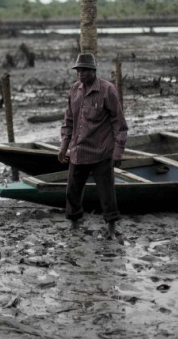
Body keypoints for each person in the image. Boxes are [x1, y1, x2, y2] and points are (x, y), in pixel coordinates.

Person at [58, 53, 128, 238]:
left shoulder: (107, 90)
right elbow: (68, 121)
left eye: (85, 70)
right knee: (72, 190)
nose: (80, 73)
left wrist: (118, 152)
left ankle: (111, 228)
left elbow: (119, 124)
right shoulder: (74, 90)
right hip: (78, 150)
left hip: (101, 151)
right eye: (78, 70)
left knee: (107, 193)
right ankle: (74, 224)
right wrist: (64, 147)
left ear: (93, 71)